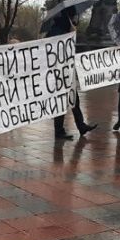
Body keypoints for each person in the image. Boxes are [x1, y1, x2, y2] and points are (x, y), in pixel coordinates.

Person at [45, 8, 98, 141]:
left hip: (65, 71)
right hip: (58, 73)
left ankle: (81, 126)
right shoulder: (57, 31)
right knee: (62, 102)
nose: (75, 18)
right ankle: (59, 131)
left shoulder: (63, 29)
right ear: (68, 16)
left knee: (74, 99)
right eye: (73, 16)